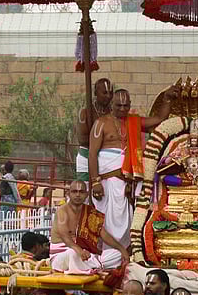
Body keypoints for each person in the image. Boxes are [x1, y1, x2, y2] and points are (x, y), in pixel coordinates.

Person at [88, 87, 177, 247]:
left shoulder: (134, 121)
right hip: (107, 182)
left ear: (129, 105)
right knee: (106, 220)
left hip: (128, 182)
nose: (122, 109)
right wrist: (95, 182)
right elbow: (93, 154)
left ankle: (124, 254)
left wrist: (167, 99)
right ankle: (107, 254)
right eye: (118, 106)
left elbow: (159, 119)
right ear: (112, 105)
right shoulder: (101, 123)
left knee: (128, 220)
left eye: (126, 106)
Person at [50, 181, 128, 273]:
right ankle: (94, 265)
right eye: (74, 191)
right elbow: (65, 237)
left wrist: (122, 249)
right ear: (69, 194)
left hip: (84, 256)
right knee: (72, 254)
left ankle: (91, 265)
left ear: (86, 194)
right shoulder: (62, 211)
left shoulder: (90, 212)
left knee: (117, 255)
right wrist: (79, 250)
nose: (78, 195)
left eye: (81, 192)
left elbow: (104, 235)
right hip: (62, 255)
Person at [75, 78, 113, 182]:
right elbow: (82, 140)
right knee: (85, 193)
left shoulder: (114, 112)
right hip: (86, 157)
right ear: (96, 93)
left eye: (111, 93)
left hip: (109, 160)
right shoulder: (85, 113)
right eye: (104, 93)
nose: (108, 96)